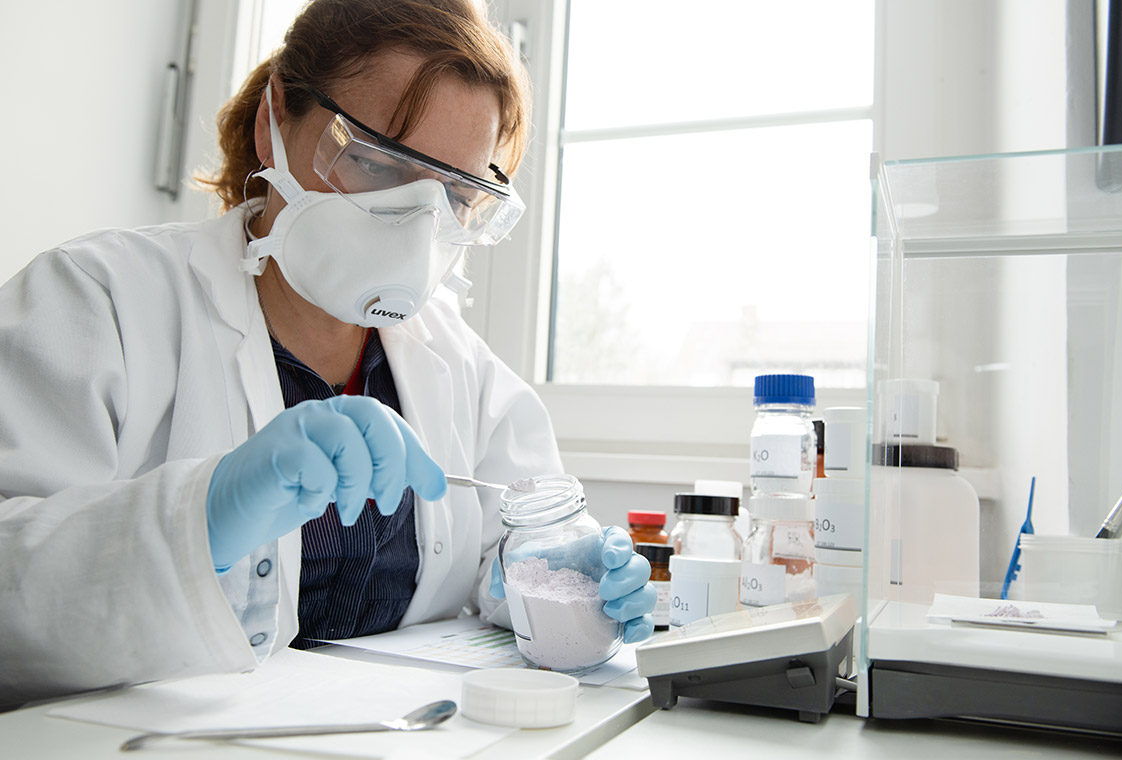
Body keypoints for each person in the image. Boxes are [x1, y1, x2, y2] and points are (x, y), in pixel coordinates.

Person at [0, 0, 653, 708]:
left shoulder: (460, 364)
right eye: (376, 163)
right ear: (274, 119)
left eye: (458, 196)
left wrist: (536, 574)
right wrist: (203, 517)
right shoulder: (97, 301)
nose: (417, 227)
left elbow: (501, 547)